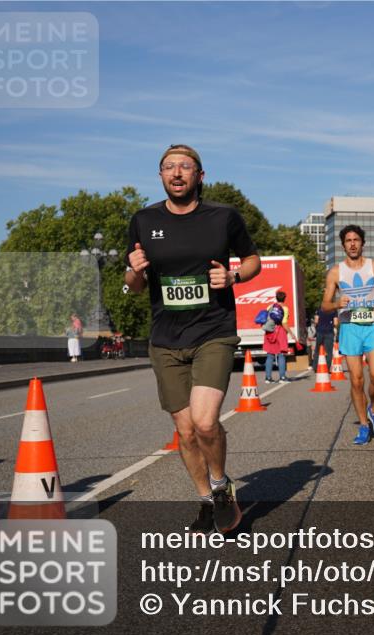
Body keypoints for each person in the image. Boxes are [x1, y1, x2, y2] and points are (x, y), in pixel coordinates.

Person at [124, 144, 260, 534]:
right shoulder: (144, 220)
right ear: (161, 176)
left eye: (185, 166)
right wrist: (134, 271)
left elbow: (252, 260)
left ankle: (219, 485)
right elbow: (134, 285)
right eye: (168, 167)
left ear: (200, 175)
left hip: (213, 331)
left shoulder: (223, 216)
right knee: (184, 431)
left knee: (204, 422)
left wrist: (233, 276)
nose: (177, 172)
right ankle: (205, 500)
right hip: (166, 338)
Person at [321, 225, 374, 444]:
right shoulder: (336, 272)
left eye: (356, 240)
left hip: (372, 326)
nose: (352, 244)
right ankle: (363, 425)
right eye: (348, 240)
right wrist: (337, 303)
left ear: (363, 243)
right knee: (356, 380)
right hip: (349, 328)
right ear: (343, 245)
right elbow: (324, 305)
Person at [263, 290, 295, 383]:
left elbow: (266, 319)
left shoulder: (270, 306)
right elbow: (284, 323)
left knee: (270, 355)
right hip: (280, 331)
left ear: (276, 298)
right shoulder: (285, 308)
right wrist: (291, 333)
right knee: (281, 355)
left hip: (269, 331)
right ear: (284, 298)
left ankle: (268, 378)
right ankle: (282, 377)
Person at [312, 306, 336, 372]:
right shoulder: (333, 310)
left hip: (320, 331)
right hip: (329, 332)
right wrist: (331, 326)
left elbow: (316, 321)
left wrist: (317, 327)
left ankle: (315, 368)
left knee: (317, 350)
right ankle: (327, 368)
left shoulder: (319, 309)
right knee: (329, 351)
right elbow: (336, 322)